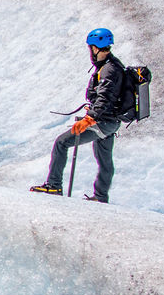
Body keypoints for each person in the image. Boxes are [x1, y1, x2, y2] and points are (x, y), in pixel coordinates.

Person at [31, 28, 124, 201]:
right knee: (104, 159)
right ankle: (101, 197)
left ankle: (54, 186)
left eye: (90, 47)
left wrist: (90, 118)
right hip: (110, 122)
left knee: (61, 143)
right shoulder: (112, 66)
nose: (90, 51)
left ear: (96, 48)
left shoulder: (108, 70)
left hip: (102, 122)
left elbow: (105, 97)